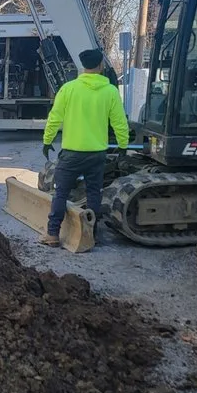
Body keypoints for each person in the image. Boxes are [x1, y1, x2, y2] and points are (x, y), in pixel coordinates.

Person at [40, 48, 129, 248]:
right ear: (101, 66)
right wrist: (123, 145)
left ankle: (53, 234)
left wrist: (47, 141)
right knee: (94, 194)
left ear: (83, 66)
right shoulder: (111, 92)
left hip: (71, 154)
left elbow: (54, 118)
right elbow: (120, 122)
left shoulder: (69, 89)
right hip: (97, 154)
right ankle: (92, 235)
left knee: (60, 193)